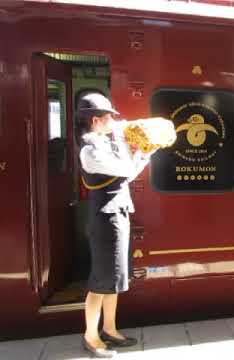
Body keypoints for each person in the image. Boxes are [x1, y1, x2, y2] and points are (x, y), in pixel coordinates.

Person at [76, 93, 154, 358]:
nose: (115, 121)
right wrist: (145, 151)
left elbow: (126, 143)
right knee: (100, 279)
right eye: (110, 116)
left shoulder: (106, 141)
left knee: (114, 278)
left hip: (117, 216)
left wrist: (139, 139)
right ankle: (91, 335)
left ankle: (109, 328)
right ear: (96, 120)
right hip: (105, 219)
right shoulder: (90, 150)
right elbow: (127, 171)